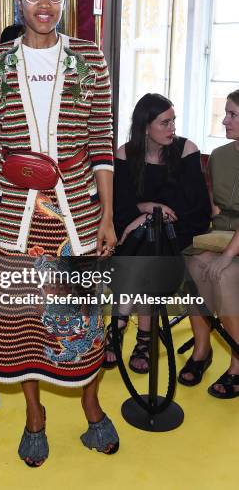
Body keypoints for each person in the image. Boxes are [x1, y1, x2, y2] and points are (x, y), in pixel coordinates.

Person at [0, 0, 118, 466]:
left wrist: (105, 215)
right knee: (22, 324)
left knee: (83, 322)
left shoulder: (89, 59)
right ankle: (34, 417)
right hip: (14, 218)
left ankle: (92, 406)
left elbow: (101, 141)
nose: (45, 4)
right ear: (18, 0)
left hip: (77, 217)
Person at [103, 93, 211, 372]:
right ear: (144, 126)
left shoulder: (186, 150)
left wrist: (154, 216)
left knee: (149, 243)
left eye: (173, 121)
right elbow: (119, 207)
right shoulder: (125, 155)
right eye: (164, 122)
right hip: (137, 239)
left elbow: (197, 209)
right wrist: (146, 209)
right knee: (144, 244)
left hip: (177, 236)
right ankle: (144, 338)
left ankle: (119, 322)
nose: (172, 128)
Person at [179, 90, 239, 398]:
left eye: (232, 115)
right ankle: (202, 350)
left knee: (226, 276)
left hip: (235, 241)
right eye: (226, 113)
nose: (225, 119)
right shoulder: (220, 156)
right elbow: (215, 208)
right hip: (222, 232)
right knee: (195, 265)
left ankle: (237, 364)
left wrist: (227, 255)